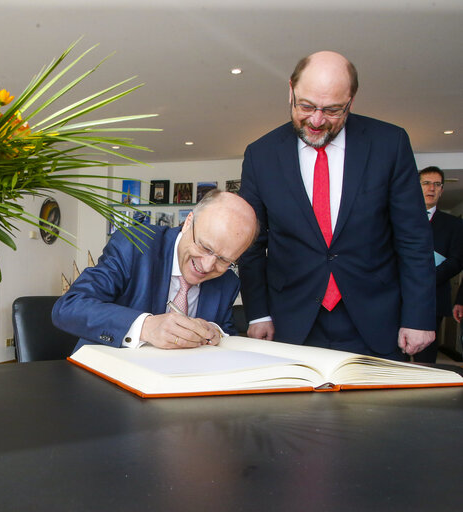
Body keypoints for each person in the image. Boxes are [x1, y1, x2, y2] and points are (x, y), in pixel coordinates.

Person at [238, 50, 435, 361]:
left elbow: (413, 238)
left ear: (351, 102)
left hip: (376, 318)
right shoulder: (260, 155)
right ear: (290, 89)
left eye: (332, 110)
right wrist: (258, 314)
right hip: (291, 322)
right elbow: (251, 245)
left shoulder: (389, 144)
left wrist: (418, 316)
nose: (316, 120)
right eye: (305, 106)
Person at [52, 190, 258, 352]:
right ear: (188, 222)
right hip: (106, 383)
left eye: (224, 259)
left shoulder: (228, 281)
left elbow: (226, 331)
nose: (206, 266)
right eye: (205, 247)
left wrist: (216, 333)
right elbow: (69, 307)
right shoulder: (134, 246)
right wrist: (146, 327)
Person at [416, 166, 463, 362]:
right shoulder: (397, 218)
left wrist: (426, 280)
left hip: (433, 296)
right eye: (426, 183)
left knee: (426, 357)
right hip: (397, 295)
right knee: (393, 352)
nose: (431, 188)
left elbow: (457, 260)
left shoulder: (454, 224)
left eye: (437, 184)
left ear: (442, 190)